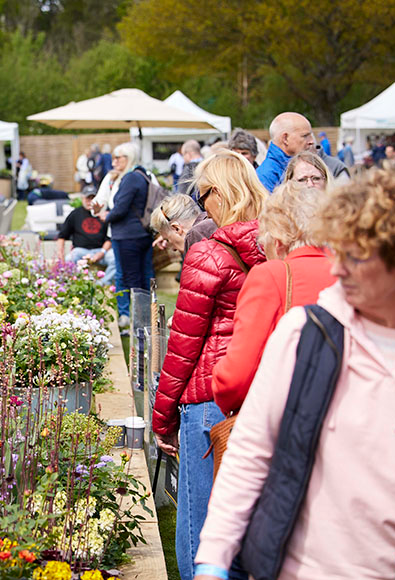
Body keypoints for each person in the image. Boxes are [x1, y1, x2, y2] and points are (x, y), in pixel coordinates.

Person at [194, 170, 395, 580]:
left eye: (357, 256)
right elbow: (251, 450)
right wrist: (212, 561)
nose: (338, 268)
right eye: (338, 250)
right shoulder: (306, 333)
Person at [152, 150, 267, 580]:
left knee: (201, 531)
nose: (202, 208)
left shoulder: (209, 255)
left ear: (219, 193)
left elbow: (183, 347)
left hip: (210, 400)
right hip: (259, 395)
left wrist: (162, 418)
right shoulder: (275, 247)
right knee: (246, 530)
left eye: (202, 198)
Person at [211, 182, 336, 416]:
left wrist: (219, 385)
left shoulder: (272, 275)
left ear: (277, 240)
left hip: (290, 418)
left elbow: (235, 377)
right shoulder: (351, 275)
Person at [95, 142, 153, 328]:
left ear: (128, 158)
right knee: (144, 277)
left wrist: (107, 216)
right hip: (143, 233)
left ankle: (137, 322)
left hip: (128, 236)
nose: (114, 162)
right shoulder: (143, 174)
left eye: (118, 158)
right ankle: (146, 319)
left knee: (130, 279)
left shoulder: (130, 178)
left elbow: (120, 208)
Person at [56, 189, 116, 286]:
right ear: (82, 198)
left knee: (115, 258)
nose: (90, 202)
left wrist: (102, 252)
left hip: (101, 250)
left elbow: (110, 238)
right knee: (69, 259)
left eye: (93, 198)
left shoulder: (104, 214)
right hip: (80, 251)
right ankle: (76, 283)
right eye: (88, 198)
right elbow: (62, 236)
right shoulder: (75, 214)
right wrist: (60, 254)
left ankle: (102, 284)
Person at [256, 112, 315, 192]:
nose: (311, 141)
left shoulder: (302, 165)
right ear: (285, 139)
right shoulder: (266, 176)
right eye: (305, 136)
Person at [150, 194, 217, 256]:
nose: (173, 249)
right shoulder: (215, 221)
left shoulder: (195, 238)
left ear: (176, 228)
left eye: (167, 240)